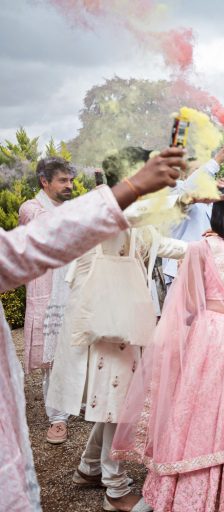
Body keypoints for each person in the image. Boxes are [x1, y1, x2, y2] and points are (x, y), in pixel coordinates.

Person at [0, 147, 184, 512]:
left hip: (124, 322)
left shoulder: (133, 217)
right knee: (117, 403)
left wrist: (206, 247)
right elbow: (127, 219)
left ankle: (88, 467)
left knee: (116, 401)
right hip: (105, 325)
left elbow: (158, 243)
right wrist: (181, 196)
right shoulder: (106, 216)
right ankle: (115, 489)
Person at [113, 187, 224, 512]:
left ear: (217, 214)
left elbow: (187, 301)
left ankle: (183, 481)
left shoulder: (203, 247)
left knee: (198, 406)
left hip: (214, 332)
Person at [17, 157, 76, 445]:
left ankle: (78, 402)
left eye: (71, 180)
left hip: (74, 289)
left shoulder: (71, 209)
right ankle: (57, 419)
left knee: (77, 351)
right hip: (49, 293)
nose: (70, 185)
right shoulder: (31, 208)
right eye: (63, 180)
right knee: (54, 359)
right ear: (45, 182)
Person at [162, 141, 224, 284]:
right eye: (198, 171)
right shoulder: (176, 191)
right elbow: (187, 192)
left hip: (209, 270)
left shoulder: (213, 200)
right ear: (185, 176)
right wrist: (217, 160)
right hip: (181, 270)